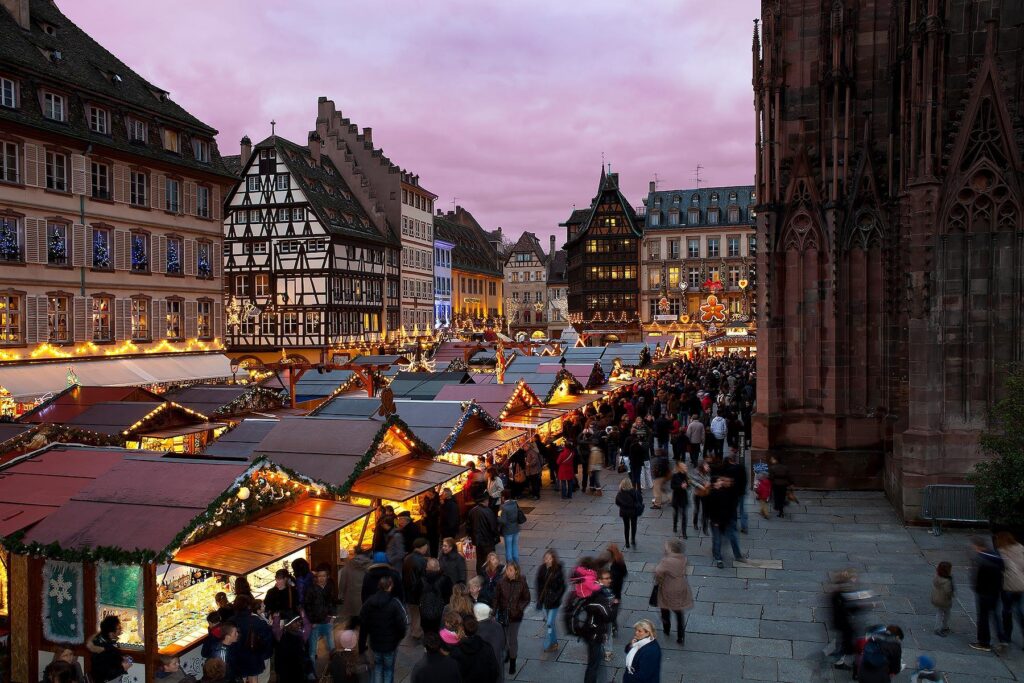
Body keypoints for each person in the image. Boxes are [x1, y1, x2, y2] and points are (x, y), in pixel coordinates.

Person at [358, 576, 408, 683]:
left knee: (378, 668)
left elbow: (362, 620)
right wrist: (398, 638)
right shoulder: (395, 603)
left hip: (375, 643)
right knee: (388, 670)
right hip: (390, 644)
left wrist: (362, 642)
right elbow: (403, 623)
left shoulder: (369, 602)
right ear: (390, 586)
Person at [969, 535, 1007, 653]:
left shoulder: (979, 559)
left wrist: (975, 588)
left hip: (983, 592)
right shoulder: (996, 556)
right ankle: (1002, 639)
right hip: (995, 591)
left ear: (977, 546)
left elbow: (975, 577)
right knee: (995, 615)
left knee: (983, 617)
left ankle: (984, 642)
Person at [654, 539, 694, 644]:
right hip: (681, 585)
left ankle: (666, 628)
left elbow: (658, 572)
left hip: (668, 587)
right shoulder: (683, 559)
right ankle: (681, 636)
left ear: (671, 549)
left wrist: (659, 579)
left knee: (665, 608)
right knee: (678, 611)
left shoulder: (666, 561)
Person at [494, 561, 531, 675]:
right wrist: (493, 611)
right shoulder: (501, 582)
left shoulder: (522, 582)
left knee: (512, 639)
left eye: (510, 570)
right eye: (507, 570)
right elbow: (496, 598)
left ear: (516, 570)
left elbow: (527, 598)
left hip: (516, 616)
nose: (508, 572)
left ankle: (513, 662)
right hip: (503, 615)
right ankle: (508, 653)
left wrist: (519, 609)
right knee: (504, 638)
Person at [228, 595, 274, 683]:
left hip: (238, 657)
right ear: (249, 606)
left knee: (243, 678)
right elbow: (267, 639)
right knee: (256, 679)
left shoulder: (231, 621)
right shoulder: (256, 621)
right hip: (254, 657)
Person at [707, 475, 744, 569]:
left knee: (732, 537)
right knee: (717, 540)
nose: (721, 482)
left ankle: (738, 556)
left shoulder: (724, 491)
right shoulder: (712, 494)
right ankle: (718, 558)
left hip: (726, 520)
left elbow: (729, 504)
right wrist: (714, 520)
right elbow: (710, 509)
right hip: (716, 521)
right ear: (715, 483)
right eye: (719, 481)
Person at [534, 549, 567, 652]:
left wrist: (556, 597)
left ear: (553, 559)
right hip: (545, 601)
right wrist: (539, 599)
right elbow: (538, 586)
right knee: (551, 623)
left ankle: (547, 644)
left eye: (549, 558)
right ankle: (554, 643)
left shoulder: (558, 570)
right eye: (546, 558)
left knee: (549, 623)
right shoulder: (542, 569)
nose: (547, 560)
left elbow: (563, 586)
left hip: (554, 602)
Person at [306, 562, 338, 665]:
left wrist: (333, 616)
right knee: (312, 651)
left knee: (332, 649)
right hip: (315, 623)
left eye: (323, 576)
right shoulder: (311, 589)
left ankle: (335, 670)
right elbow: (307, 606)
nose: (321, 578)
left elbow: (333, 602)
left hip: (327, 621)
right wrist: (312, 621)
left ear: (327, 576)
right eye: (319, 576)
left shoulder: (330, 586)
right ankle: (312, 676)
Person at [450, 616, 499, 683]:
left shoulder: (456, 650)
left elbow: (454, 675)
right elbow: (494, 670)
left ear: (462, 629)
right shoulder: (487, 647)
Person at [995, 531, 1024, 646]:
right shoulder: (1021, 548)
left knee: (1007, 611)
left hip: (1008, 585)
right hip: (1021, 584)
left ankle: (1007, 636)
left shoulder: (1002, 551)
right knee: (1020, 611)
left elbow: (1000, 568)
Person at [87, 616, 131, 683]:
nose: (121, 629)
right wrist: (123, 668)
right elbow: (104, 673)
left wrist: (121, 658)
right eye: (118, 628)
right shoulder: (103, 648)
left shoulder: (108, 643)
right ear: (111, 633)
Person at [403, 538, 431, 640]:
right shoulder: (421, 561)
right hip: (417, 593)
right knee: (418, 614)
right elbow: (424, 578)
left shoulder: (407, 558)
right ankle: (416, 632)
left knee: (413, 613)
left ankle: (414, 630)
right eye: (426, 547)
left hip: (408, 592)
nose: (426, 549)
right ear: (422, 547)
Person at [271, 613, 312, 683]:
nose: (299, 624)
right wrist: (304, 616)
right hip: (295, 671)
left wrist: (277, 617)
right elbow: (308, 628)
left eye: (299, 621)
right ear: (289, 624)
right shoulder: (301, 636)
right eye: (296, 622)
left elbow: (275, 628)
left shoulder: (281, 635)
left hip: (288, 671)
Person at [419, 557, 454, 636]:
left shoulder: (421, 579)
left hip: (425, 611)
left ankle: (428, 645)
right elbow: (450, 595)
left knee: (427, 632)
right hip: (441, 612)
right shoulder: (446, 579)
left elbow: (416, 594)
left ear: (427, 568)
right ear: (438, 567)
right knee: (439, 632)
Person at [467, 496, 501, 576]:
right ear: (485, 501)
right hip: (488, 541)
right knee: (490, 559)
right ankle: (490, 575)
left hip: (478, 541)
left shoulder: (472, 511)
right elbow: (493, 527)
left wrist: (472, 537)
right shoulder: (488, 511)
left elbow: (468, 527)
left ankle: (480, 575)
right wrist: (496, 537)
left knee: (480, 559)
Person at [473, 603, 506, 682]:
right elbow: (503, 645)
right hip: (498, 666)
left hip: (485, 670)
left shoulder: (476, 629)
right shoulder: (498, 626)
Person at [338, 547, 371, 622]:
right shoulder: (370, 565)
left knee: (353, 621)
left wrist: (341, 594)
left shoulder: (348, 566)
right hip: (366, 598)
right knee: (364, 621)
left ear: (355, 554)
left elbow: (343, 581)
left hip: (351, 599)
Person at [614, 478, 643, 550]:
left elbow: (617, 502)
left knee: (626, 526)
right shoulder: (635, 492)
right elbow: (640, 500)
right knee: (634, 525)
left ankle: (627, 542)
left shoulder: (620, 493)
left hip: (624, 512)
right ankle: (633, 539)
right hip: (634, 511)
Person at [607, 543, 628, 637]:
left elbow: (614, 582)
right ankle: (613, 626)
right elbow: (625, 573)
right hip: (617, 592)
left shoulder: (614, 566)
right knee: (613, 611)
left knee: (611, 611)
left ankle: (613, 627)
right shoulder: (620, 561)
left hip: (614, 593)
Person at [497, 489, 523, 564]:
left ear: (503, 497)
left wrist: (498, 517)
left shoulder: (503, 507)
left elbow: (503, 520)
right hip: (516, 529)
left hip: (508, 531)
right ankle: (517, 565)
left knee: (508, 549)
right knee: (515, 548)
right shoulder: (515, 503)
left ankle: (510, 567)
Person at [931, 561, 954, 637]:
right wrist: (951, 594)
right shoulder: (947, 581)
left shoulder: (937, 577)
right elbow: (948, 592)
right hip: (944, 600)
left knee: (940, 612)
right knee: (946, 613)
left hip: (937, 598)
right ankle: (941, 627)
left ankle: (942, 627)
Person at [669, 461, 689, 538]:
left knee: (684, 515)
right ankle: (675, 525)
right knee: (676, 513)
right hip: (676, 497)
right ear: (680, 468)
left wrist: (687, 485)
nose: (686, 467)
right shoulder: (675, 476)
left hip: (683, 498)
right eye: (684, 466)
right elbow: (672, 486)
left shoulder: (685, 475)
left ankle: (684, 531)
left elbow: (688, 485)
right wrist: (681, 486)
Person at [421, 488, 442, 558]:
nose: (426, 495)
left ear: (431, 493)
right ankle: (432, 556)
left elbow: (436, 514)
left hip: (435, 526)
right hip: (428, 525)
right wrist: (422, 511)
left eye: (427, 493)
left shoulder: (437, 501)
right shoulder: (427, 499)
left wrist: (426, 515)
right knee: (431, 542)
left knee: (434, 542)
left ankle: (434, 557)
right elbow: (425, 508)